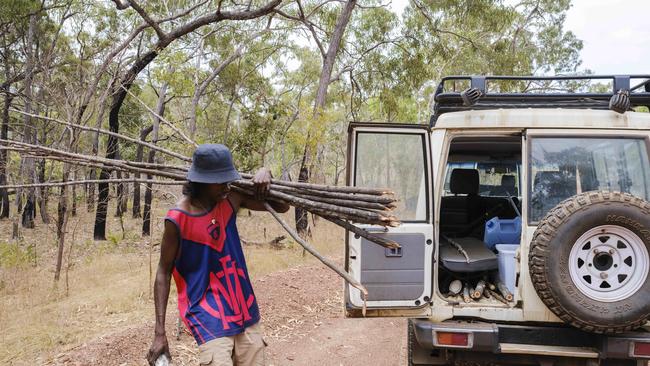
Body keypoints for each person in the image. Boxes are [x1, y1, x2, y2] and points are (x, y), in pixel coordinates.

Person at [146, 144, 289, 366]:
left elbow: (282, 206)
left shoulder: (231, 199)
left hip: (243, 308)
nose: (227, 184)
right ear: (201, 181)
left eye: (227, 178)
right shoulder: (177, 219)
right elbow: (163, 272)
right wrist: (159, 332)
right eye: (220, 180)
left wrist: (267, 174)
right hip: (207, 314)